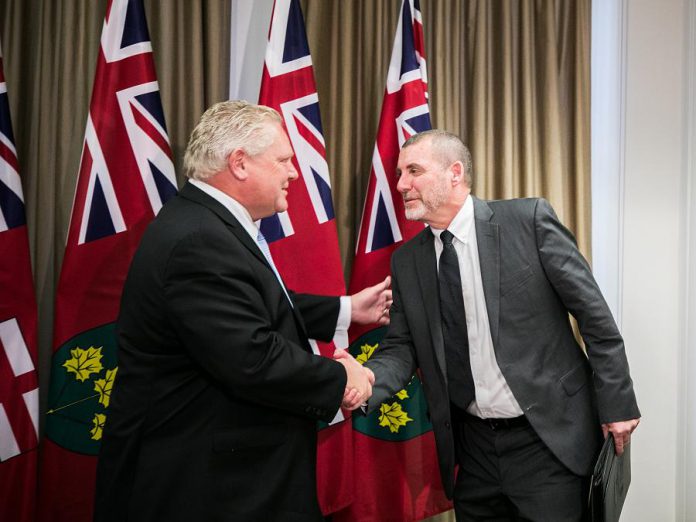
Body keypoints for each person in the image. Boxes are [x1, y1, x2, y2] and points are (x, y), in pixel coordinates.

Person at [94, 100, 384, 522]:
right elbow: (251, 356)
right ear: (240, 163)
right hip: (208, 486)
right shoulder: (198, 238)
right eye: (283, 159)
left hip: (223, 475)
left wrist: (345, 310)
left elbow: (251, 307)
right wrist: (342, 377)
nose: (294, 172)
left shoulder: (203, 221)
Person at [338, 130, 640, 521]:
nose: (400, 184)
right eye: (399, 173)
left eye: (413, 171)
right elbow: (401, 346)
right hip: (474, 448)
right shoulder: (408, 261)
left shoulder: (527, 221)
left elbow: (594, 316)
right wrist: (366, 379)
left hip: (548, 439)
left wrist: (618, 404)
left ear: (455, 173)